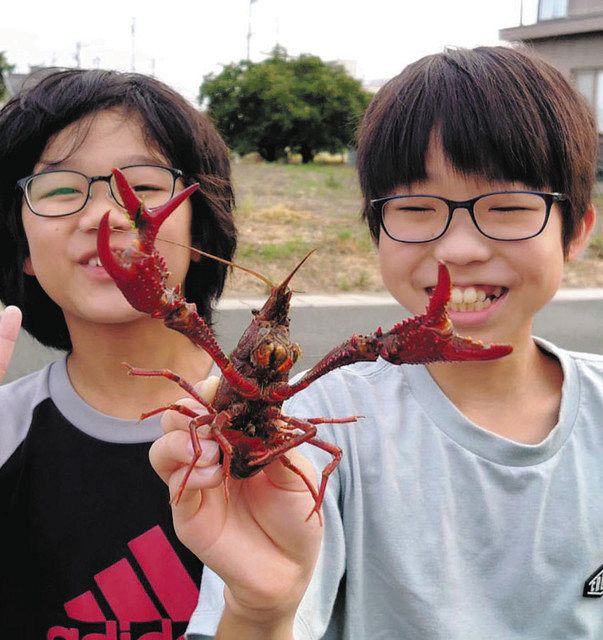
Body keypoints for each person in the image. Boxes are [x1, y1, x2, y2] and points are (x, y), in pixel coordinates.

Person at [147, 45, 603, 640]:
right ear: (375, 230)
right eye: (415, 208)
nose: (459, 249)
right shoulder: (314, 422)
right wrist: (262, 609)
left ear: (577, 233)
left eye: (509, 206)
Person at [0, 69, 237, 638]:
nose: (104, 217)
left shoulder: (291, 427)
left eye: (144, 188)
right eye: (58, 190)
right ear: (22, 248)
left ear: (200, 229)